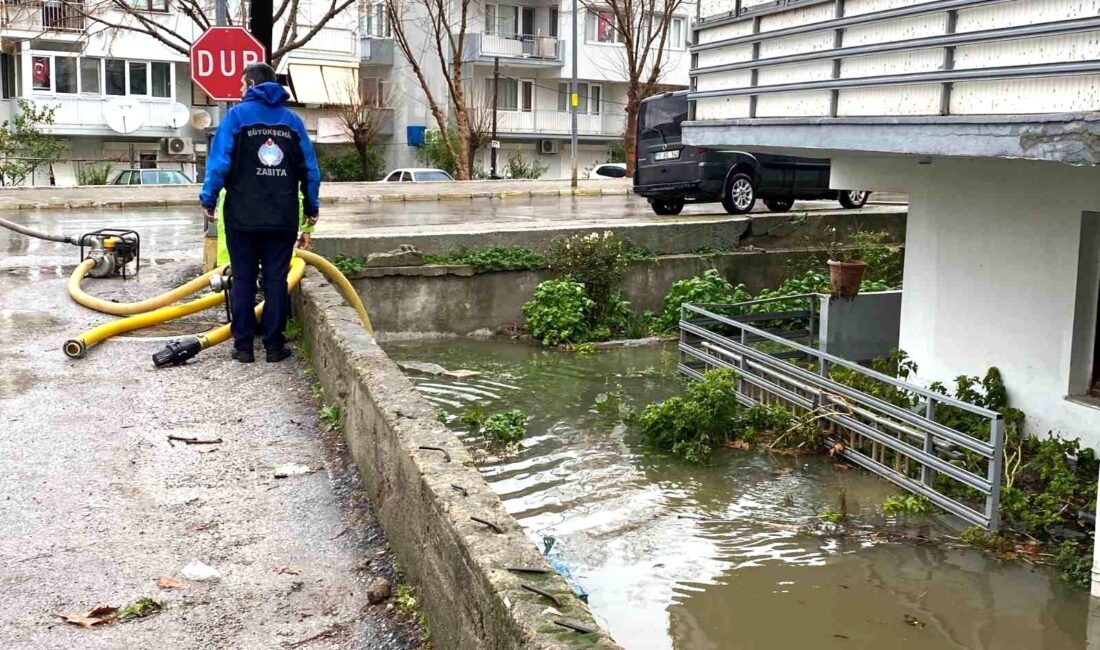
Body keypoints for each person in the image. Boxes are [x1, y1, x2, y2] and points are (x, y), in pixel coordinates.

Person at [200, 63, 320, 364]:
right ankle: (274, 347)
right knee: (276, 280)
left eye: (242, 85)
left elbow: (219, 163)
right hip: (282, 216)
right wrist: (312, 207)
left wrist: (209, 198)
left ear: (251, 84)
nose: (240, 91)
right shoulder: (292, 122)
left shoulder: (236, 117)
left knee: (243, 279)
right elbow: (310, 170)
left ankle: (243, 348)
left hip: (242, 215)